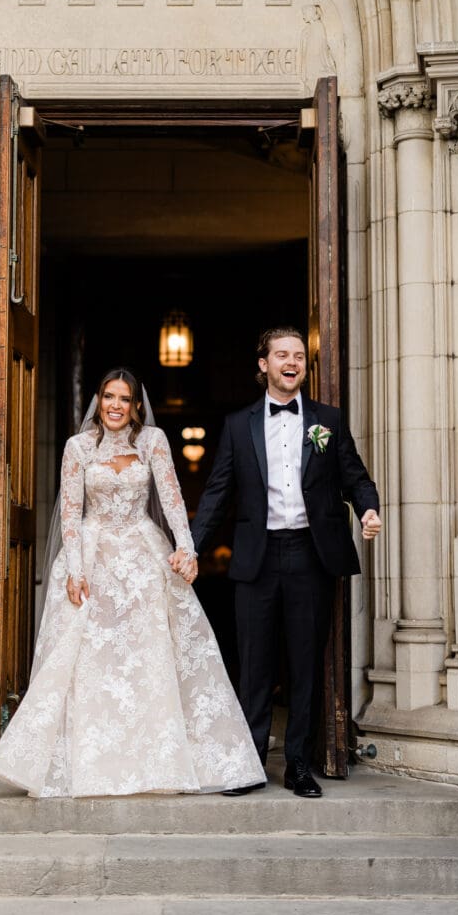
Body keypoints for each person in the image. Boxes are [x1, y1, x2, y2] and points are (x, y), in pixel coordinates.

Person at [0, 367, 266, 798]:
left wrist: (186, 549)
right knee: (87, 657)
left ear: (136, 406)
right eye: (108, 396)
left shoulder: (153, 441)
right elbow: (72, 515)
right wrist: (76, 570)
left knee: (150, 653)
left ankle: (159, 760)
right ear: (98, 400)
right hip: (94, 558)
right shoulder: (77, 447)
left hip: (142, 558)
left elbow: (173, 500)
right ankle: (89, 763)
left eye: (124, 398)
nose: (115, 405)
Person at [190, 327, 381, 799]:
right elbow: (216, 493)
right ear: (264, 364)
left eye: (298, 355)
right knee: (254, 666)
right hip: (257, 557)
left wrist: (369, 508)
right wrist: (189, 546)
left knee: (304, 664)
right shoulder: (239, 424)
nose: (291, 362)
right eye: (281, 354)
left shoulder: (328, 420)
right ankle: (251, 762)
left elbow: (354, 476)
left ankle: (298, 764)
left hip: (311, 556)